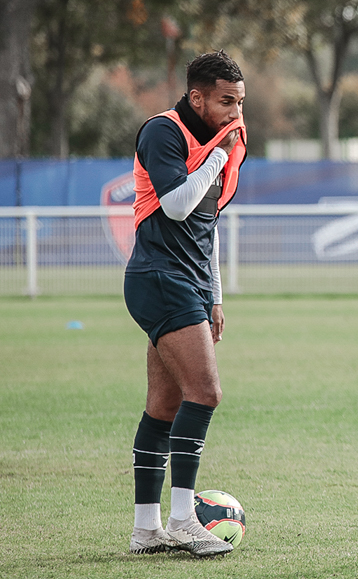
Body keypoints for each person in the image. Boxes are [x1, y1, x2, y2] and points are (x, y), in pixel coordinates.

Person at [124, 50, 247, 557]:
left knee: (165, 406)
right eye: (225, 102)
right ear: (196, 97)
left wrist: (215, 295)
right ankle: (182, 520)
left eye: (240, 103)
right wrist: (218, 153)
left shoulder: (221, 138)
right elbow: (176, 206)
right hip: (158, 278)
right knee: (207, 392)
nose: (236, 114)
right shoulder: (164, 131)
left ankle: (146, 529)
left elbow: (206, 227)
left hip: (188, 283)